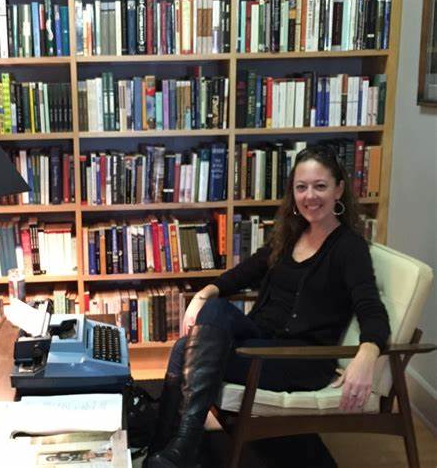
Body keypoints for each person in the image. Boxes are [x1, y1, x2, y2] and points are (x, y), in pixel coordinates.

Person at [144, 145, 391, 468]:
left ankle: (175, 449)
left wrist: (368, 352)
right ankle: (170, 451)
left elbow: (371, 308)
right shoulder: (292, 235)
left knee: (183, 350)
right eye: (301, 187)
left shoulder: (349, 248)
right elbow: (244, 272)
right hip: (264, 339)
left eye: (320, 186)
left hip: (299, 358)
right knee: (211, 313)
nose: (310, 196)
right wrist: (206, 292)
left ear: (339, 189)